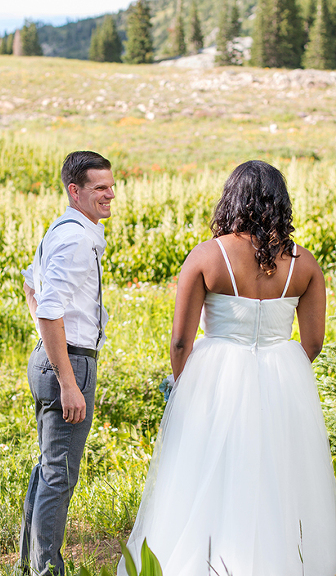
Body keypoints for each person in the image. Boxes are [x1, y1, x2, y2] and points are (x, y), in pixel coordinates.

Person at [120, 160, 336, 575]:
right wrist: (278, 367)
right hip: (281, 377)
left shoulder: (207, 257)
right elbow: (313, 342)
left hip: (216, 377)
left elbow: (181, 339)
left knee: (208, 471)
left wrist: (185, 386)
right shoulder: (305, 264)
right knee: (276, 474)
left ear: (232, 199)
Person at [20, 151, 115, 575]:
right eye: (100, 188)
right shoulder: (75, 238)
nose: (110, 194)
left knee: (48, 468)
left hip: (59, 358)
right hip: (68, 363)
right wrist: (67, 379)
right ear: (75, 191)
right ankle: (46, 570)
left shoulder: (65, 231)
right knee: (59, 476)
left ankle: (29, 564)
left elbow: (30, 286)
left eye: (111, 186)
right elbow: (48, 307)